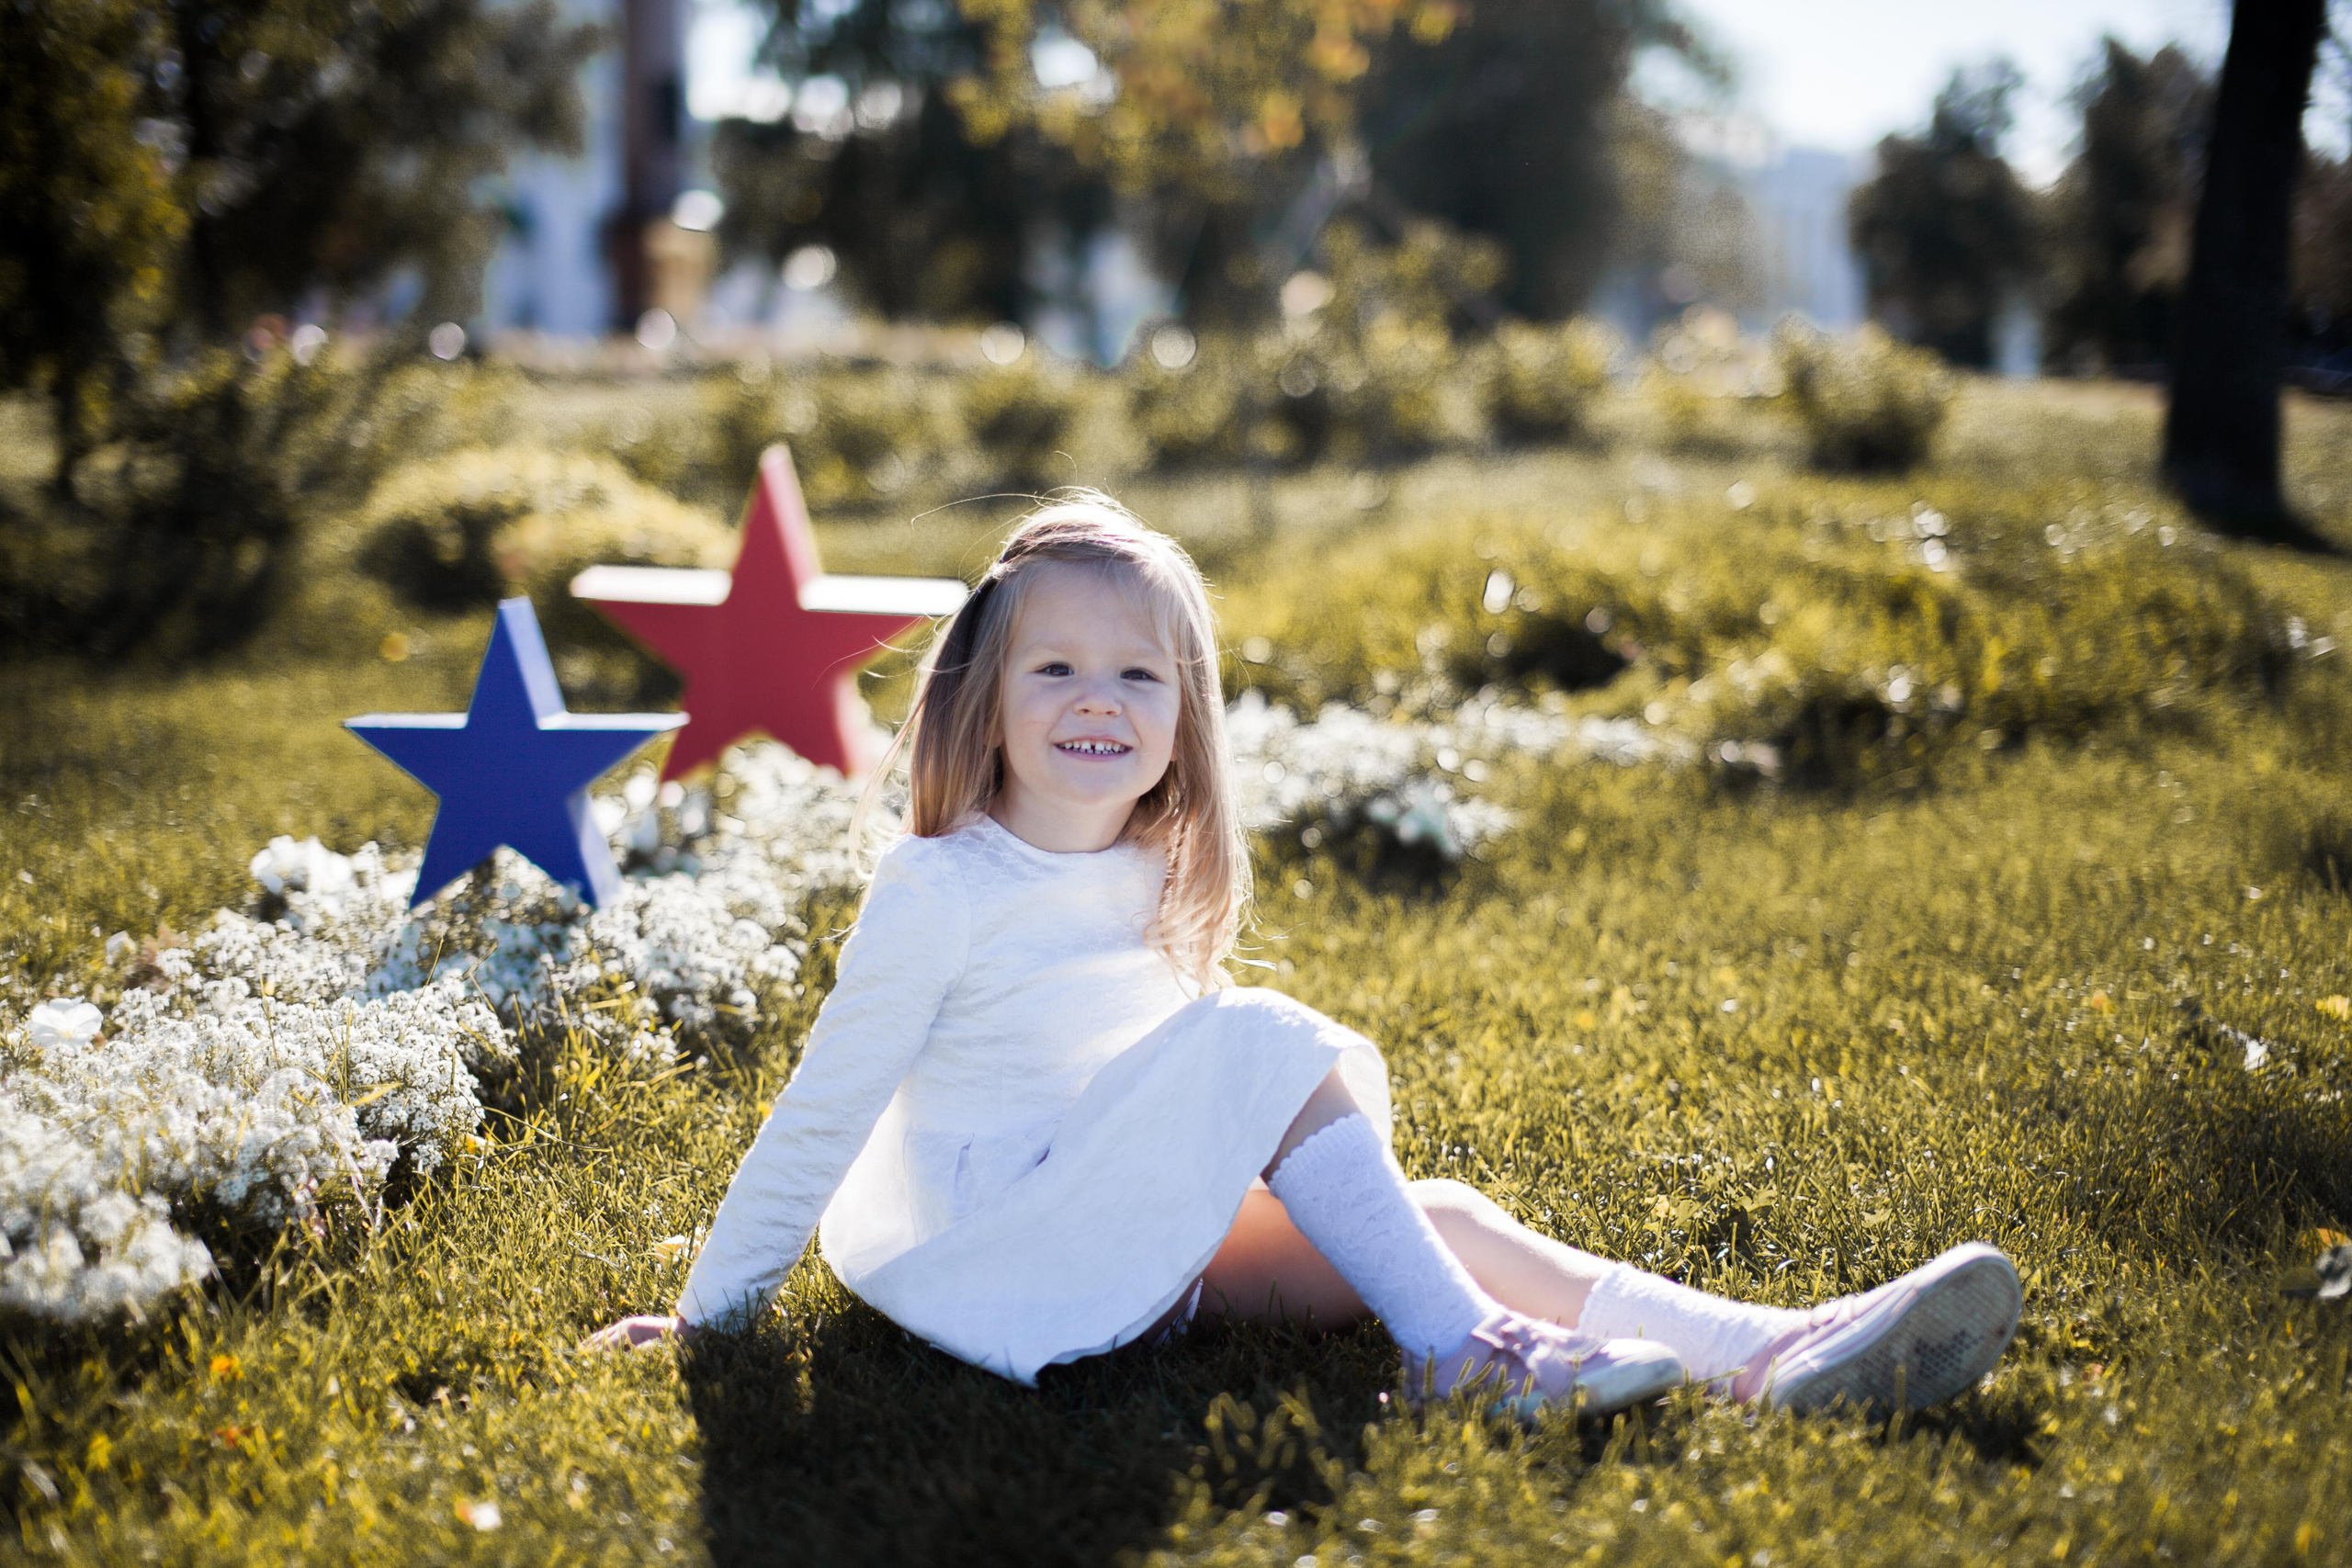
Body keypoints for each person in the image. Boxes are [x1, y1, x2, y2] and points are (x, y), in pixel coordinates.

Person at [586, 492, 2022, 1420]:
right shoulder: (942, 887)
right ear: (989, 695)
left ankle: (1775, 1351)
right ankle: (1466, 1359)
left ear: (1184, 711)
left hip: (1112, 1241)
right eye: (1059, 669)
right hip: (996, 1259)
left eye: (1141, 674)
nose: (1103, 701)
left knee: (1438, 1206)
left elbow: (1162, 1099)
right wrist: (713, 1317)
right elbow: (827, 1105)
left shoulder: (1145, 866)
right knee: (1264, 1038)